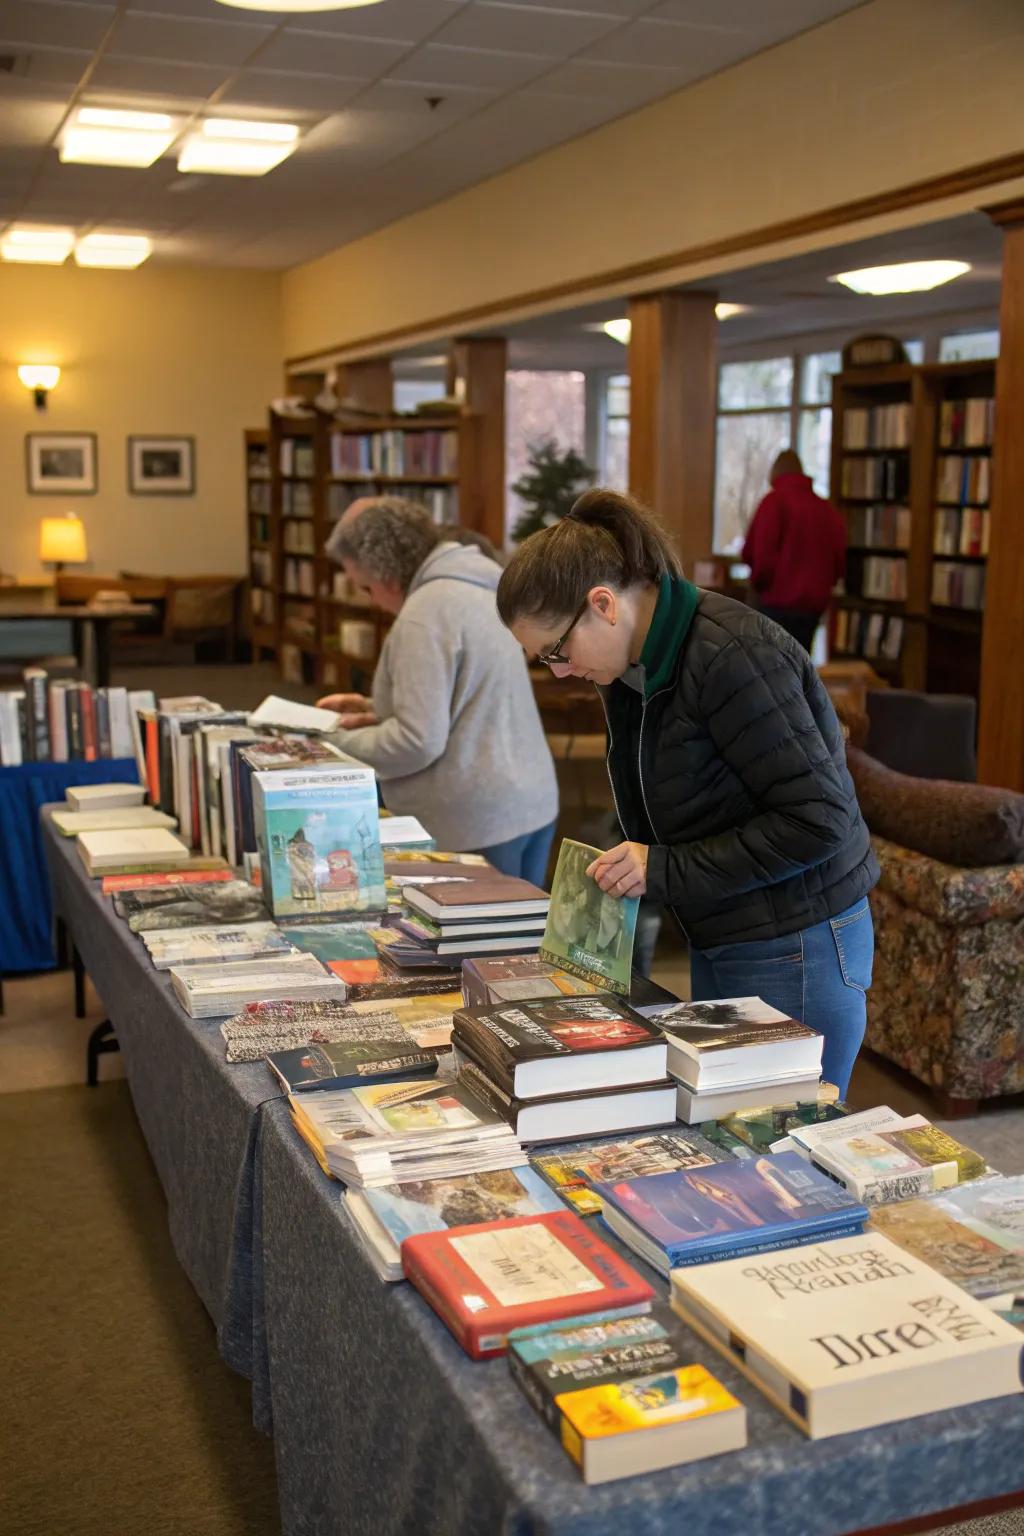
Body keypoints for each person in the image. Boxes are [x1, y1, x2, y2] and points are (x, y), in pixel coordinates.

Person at [495, 488, 878, 1097]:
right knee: (728, 1138)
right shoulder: (633, 667)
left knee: (782, 1146)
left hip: (795, 943)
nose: (559, 672)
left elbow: (820, 821)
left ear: (604, 604)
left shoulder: (735, 655)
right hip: (728, 924)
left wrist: (663, 868)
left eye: (557, 651)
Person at [317, 496, 557, 884]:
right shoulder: (479, 586)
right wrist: (377, 709)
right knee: (520, 936)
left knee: (478, 943)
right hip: (529, 801)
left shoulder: (423, 614)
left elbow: (417, 741)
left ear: (386, 577)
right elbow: (469, 697)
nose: (373, 602)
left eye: (365, 588)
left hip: (475, 818)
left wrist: (330, 740)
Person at [742, 448, 846, 651]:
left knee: (767, 669)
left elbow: (760, 556)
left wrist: (758, 585)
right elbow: (838, 563)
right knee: (799, 668)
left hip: (776, 605)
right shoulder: (825, 508)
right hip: (812, 608)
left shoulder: (773, 503)